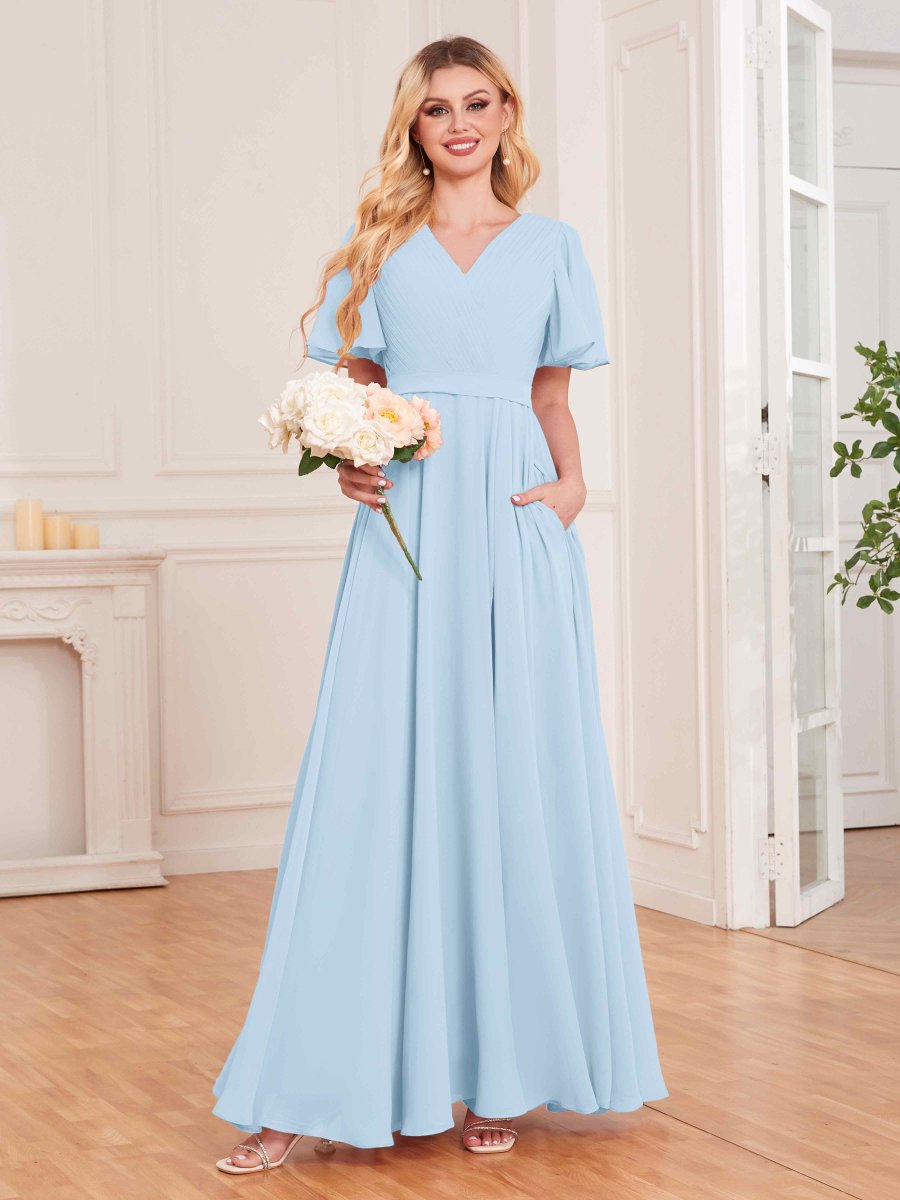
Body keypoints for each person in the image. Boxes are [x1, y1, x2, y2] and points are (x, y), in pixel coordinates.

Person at [212, 33, 667, 1173]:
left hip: (514, 524)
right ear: (412, 127)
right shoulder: (380, 248)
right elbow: (354, 393)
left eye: (476, 102)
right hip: (409, 528)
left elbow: (551, 396)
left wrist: (572, 490)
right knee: (373, 788)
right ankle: (308, 1082)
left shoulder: (553, 247)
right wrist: (351, 466)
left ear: (506, 113)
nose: (458, 124)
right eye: (435, 108)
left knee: (509, 782)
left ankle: (495, 1069)